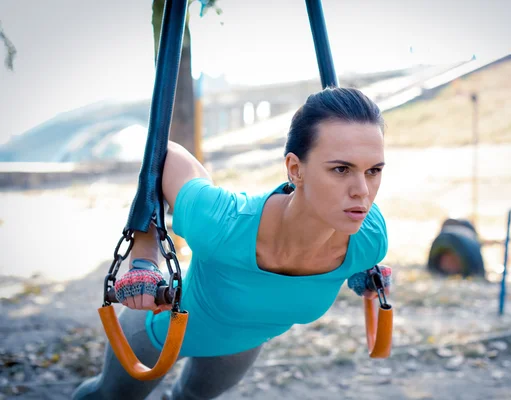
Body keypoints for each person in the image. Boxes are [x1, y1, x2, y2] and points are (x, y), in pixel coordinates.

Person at [72, 86, 391, 400]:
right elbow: (163, 153)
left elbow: (357, 252)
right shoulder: (223, 223)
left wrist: (358, 271)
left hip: (239, 347)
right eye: (341, 169)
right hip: (158, 330)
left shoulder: (370, 238)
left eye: (373, 170)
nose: (362, 191)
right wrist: (144, 258)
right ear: (295, 169)